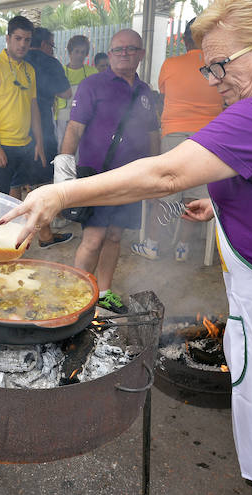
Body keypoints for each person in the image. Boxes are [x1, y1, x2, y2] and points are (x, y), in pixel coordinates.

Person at [5, 0, 252, 495]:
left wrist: (60, 195)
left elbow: (167, 174)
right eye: (208, 68)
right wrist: (221, 202)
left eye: (221, 66)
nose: (214, 81)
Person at [52, 29, 159, 312]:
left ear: (141, 54)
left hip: (133, 177)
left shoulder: (145, 91)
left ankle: (104, 291)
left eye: (131, 49)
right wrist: (64, 163)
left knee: (114, 236)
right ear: (109, 54)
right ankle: (77, 295)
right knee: (94, 237)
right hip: (97, 176)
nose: (124, 53)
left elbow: (152, 132)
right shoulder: (92, 85)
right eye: (118, 49)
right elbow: (75, 127)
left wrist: (157, 168)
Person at [130, 19, 223, 262]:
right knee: (193, 198)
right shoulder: (217, 67)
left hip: (173, 136)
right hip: (207, 138)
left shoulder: (170, 64)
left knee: (166, 194)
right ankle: (183, 248)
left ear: (184, 39)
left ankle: (152, 244)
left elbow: (164, 94)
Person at [0, 15, 71, 249]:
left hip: (26, 145)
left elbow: (33, 109)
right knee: (0, 199)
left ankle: (27, 239)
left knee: (31, 194)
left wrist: (39, 142)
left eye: (27, 40)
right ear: (8, 38)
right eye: (18, 38)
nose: (22, 44)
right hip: (2, 146)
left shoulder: (29, 69)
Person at [24, 27, 71, 185]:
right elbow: (66, 93)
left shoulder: (19, 60)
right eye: (52, 45)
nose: (52, 50)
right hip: (43, 118)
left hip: (17, 121)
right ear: (44, 44)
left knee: (20, 172)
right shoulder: (51, 63)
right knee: (44, 167)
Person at [59, 35, 99, 144]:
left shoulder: (93, 73)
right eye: (77, 51)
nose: (80, 55)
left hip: (87, 120)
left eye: (83, 52)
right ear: (70, 52)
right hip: (63, 120)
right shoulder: (60, 72)